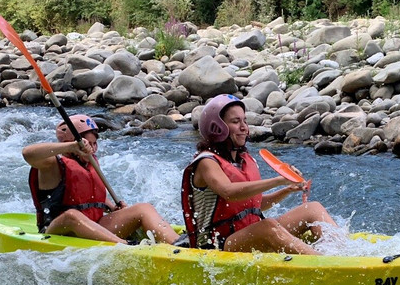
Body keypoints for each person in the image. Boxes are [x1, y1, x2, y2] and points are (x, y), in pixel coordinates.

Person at [181, 94, 338, 254]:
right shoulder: (206, 162)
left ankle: (343, 254)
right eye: (236, 122)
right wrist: (278, 180)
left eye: (244, 121)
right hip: (218, 245)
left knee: (312, 208)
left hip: (251, 234)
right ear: (217, 127)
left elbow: (252, 205)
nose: (244, 127)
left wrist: (287, 189)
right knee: (268, 226)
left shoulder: (243, 160)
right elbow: (228, 192)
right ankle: (326, 264)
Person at [23, 114, 178, 245]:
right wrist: (70, 147)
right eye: (88, 143)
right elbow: (27, 153)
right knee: (72, 216)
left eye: (95, 143)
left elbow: (87, 199)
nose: (93, 148)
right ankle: (127, 247)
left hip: (92, 226)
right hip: (59, 230)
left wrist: (111, 207)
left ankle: (178, 244)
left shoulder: (88, 163)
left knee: (143, 208)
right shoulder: (52, 165)